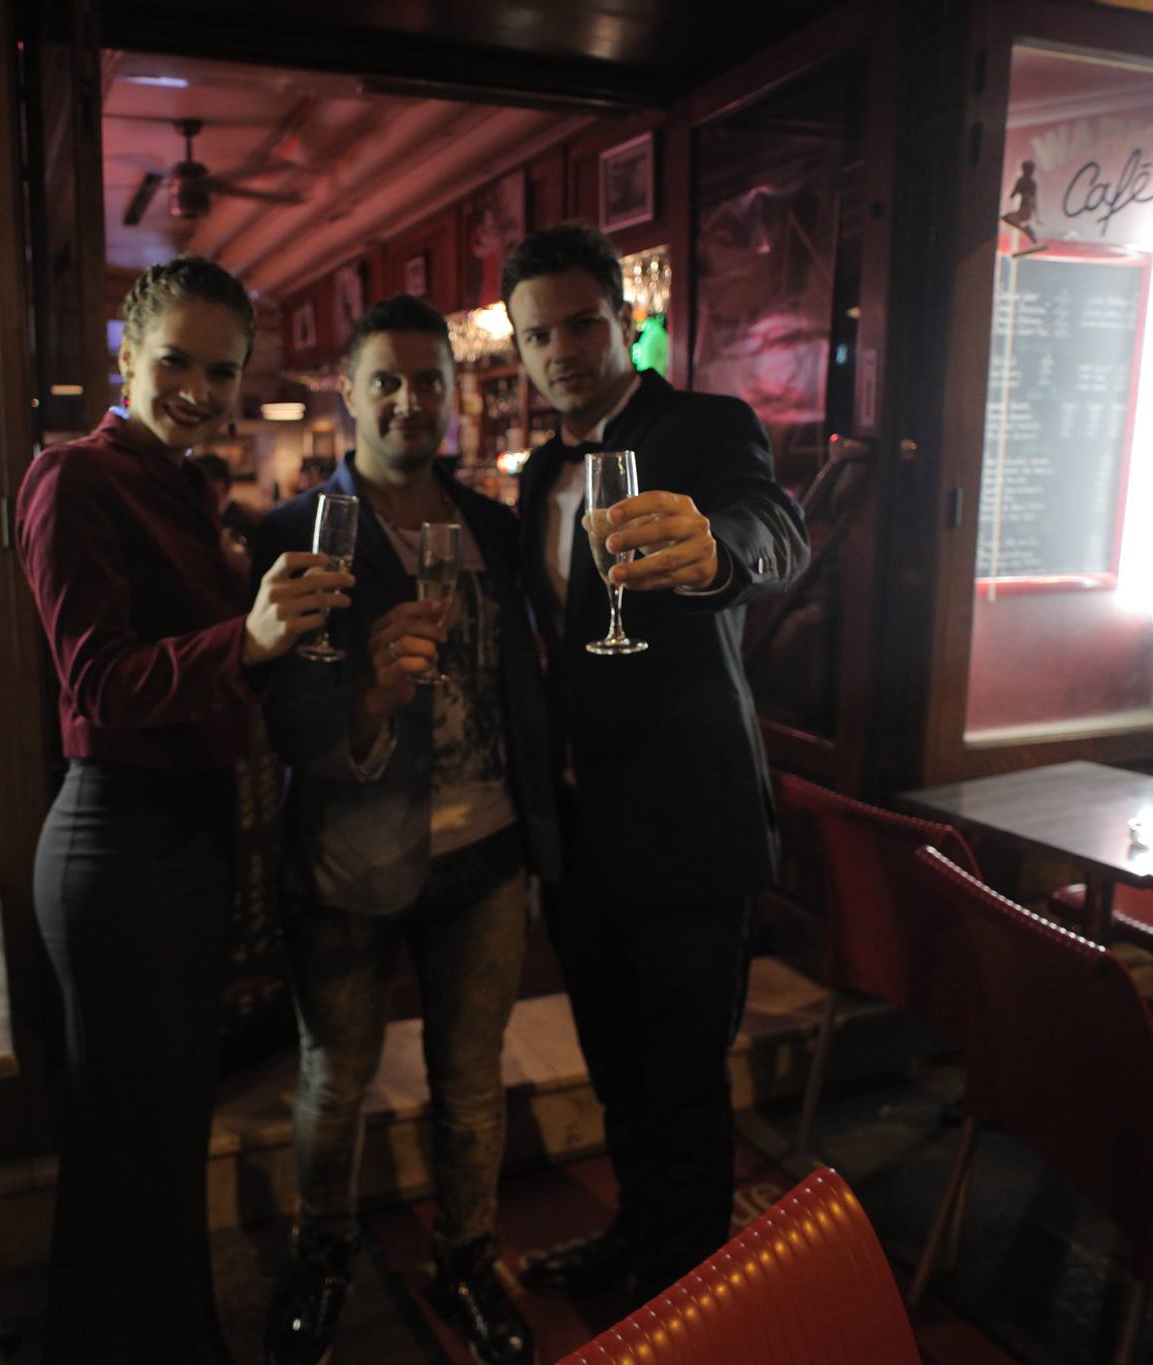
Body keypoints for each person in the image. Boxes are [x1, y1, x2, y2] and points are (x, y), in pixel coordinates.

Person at [14, 255, 354, 1363]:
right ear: (126, 353)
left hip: (187, 838)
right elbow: (97, 683)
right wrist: (249, 639)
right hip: (119, 842)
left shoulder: (189, 492)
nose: (199, 389)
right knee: (131, 1163)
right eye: (176, 362)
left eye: (222, 370)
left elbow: (215, 679)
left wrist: (312, 653)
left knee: (156, 1159)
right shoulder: (72, 478)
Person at [251, 295, 560, 1365]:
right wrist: (371, 701)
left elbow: (521, 676)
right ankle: (322, 1251)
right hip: (348, 856)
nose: (408, 399)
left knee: (469, 1085)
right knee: (334, 1082)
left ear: (454, 394)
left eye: (429, 380)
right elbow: (283, 716)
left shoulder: (491, 527)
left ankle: (466, 1258)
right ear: (348, 391)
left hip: (483, 850)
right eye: (385, 378)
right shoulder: (297, 530)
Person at [504, 223, 809, 1299]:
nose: (561, 351)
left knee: (684, 1085)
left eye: (581, 323)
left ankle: (686, 1299)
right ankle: (635, 1242)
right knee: (617, 1076)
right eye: (536, 334)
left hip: (685, 825)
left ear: (623, 322)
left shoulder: (706, 427)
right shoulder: (538, 469)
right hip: (581, 836)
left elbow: (771, 523)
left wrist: (719, 550)